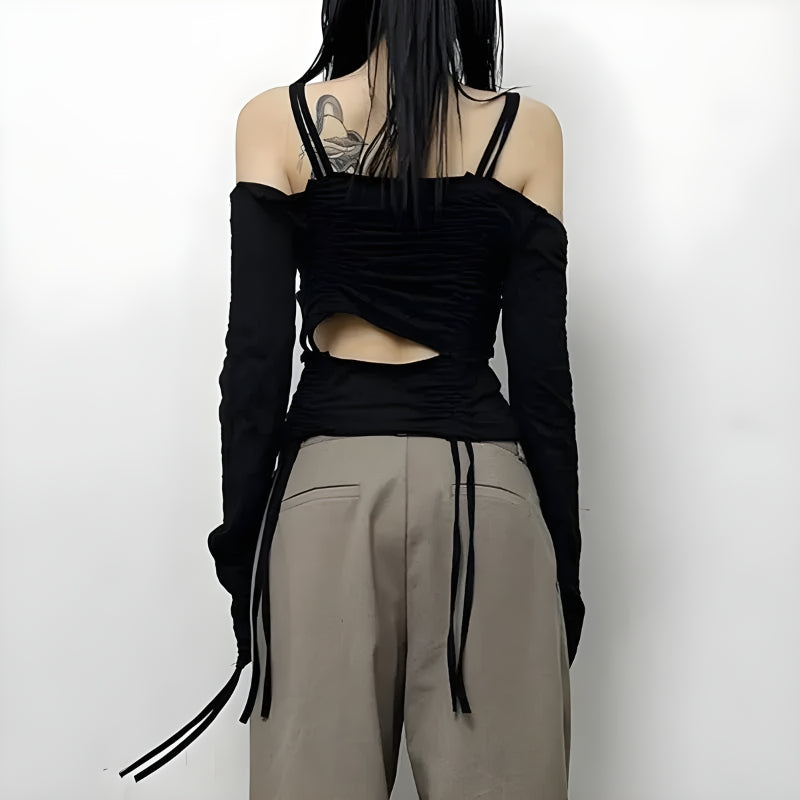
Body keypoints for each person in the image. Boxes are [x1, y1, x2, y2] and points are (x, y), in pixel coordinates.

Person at [120, 1, 585, 797]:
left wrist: (244, 556)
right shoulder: (526, 129)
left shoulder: (277, 121)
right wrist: (561, 570)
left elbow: (256, 363)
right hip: (484, 501)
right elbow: (544, 383)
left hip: (324, 498)